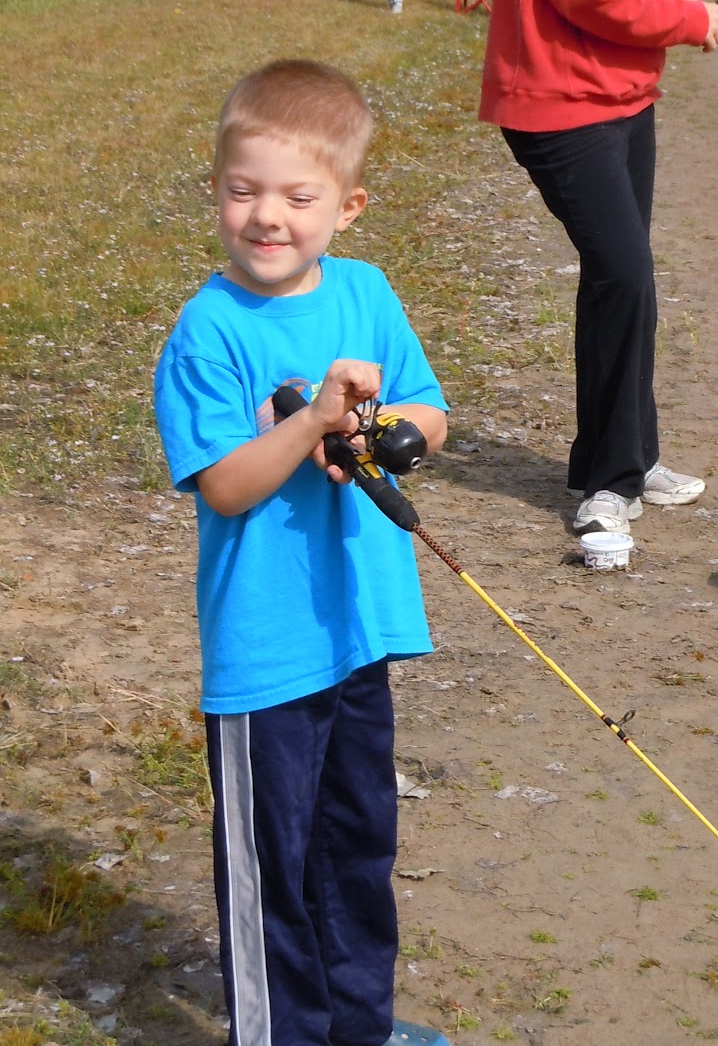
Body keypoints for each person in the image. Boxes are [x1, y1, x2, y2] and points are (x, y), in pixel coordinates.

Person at [154, 59, 451, 1046]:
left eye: (298, 196)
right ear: (216, 189)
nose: (268, 216)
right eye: (244, 191)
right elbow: (227, 484)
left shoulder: (366, 293)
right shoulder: (208, 331)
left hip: (357, 631)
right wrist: (311, 422)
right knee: (271, 866)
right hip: (266, 651)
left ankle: (359, 1026)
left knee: (358, 845)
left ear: (347, 206)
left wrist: (380, 431)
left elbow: (430, 413)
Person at [478, 0, 718, 538]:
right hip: (559, 103)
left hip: (621, 98)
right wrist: (688, 20)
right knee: (626, 274)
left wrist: (688, 5)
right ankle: (610, 489)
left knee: (619, 278)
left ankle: (623, 456)